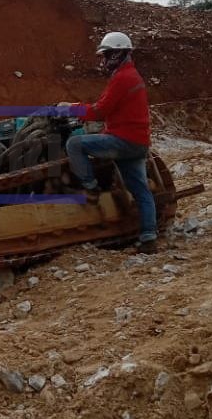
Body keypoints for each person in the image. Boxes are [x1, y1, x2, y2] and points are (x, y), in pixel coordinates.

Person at [63, 32, 157, 253]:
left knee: (74, 145)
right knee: (140, 190)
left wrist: (71, 108)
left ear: (117, 54)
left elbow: (100, 110)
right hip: (138, 142)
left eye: (105, 55)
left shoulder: (122, 78)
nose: (103, 61)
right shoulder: (131, 75)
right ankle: (149, 238)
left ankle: (91, 188)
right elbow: (113, 111)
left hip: (123, 141)